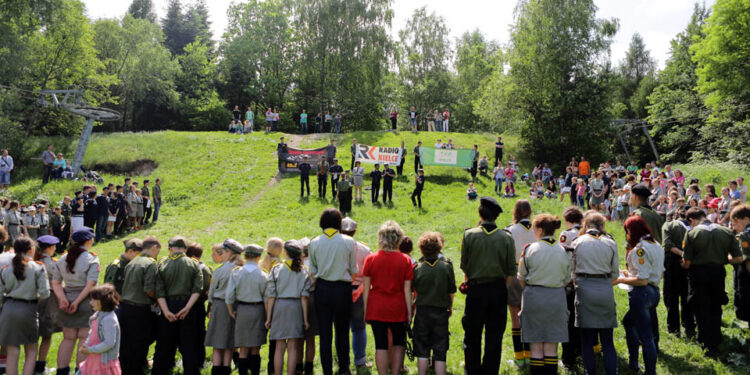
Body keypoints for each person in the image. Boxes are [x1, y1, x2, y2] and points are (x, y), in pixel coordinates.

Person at [460, 197, 516, 375]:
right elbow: (510, 271)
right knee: (495, 336)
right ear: (496, 217)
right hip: (498, 289)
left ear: (480, 213)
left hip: (476, 289)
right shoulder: (506, 237)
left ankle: (472, 370)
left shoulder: (469, 235)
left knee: (472, 334)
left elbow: (465, 267)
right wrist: (501, 288)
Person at [682, 207, 742, 357]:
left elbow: (687, 262)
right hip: (717, 272)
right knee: (716, 305)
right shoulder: (726, 232)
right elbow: (739, 258)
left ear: (693, 220)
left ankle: (704, 340)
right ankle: (716, 338)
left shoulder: (691, 233)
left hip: (698, 273)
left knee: (700, 306)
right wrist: (723, 260)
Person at [517, 214, 570, 375]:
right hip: (557, 298)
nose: (533, 232)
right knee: (551, 346)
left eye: (534, 229)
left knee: (536, 346)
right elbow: (567, 279)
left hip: (534, 297)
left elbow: (522, 277)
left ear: (540, 230)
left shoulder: (530, 249)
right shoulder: (564, 250)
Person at [308, 209, 358, 375]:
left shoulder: (314, 242)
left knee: (325, 333)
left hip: (322, 289)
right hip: (342, 289)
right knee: (343, 331)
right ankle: (344, 368)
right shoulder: (348, 241)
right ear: (339, 222)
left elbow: (313, 270)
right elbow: (353, 270)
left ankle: (327, 370)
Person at [362, 221, 413, 375]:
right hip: (397, 307)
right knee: (399, 343)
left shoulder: (371, 259)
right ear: (399, 239)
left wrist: (365, 311)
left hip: (377, 307)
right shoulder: (405, 260)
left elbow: (366, 289)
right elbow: (407, 289)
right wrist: (409, 312)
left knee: (381, 345)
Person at [614, 216, 665, 374]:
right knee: (628, 322)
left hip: (642, 294)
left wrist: (620, 279)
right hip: (654, 292)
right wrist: (629, 273)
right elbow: (657, 272)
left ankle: (649, 370)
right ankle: (633, 362)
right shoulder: (656, 244)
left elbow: (642, 281)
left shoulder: (639, 249)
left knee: (646, 335)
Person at [571, 213, 619, 375]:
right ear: (602, 225)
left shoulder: (577, 242)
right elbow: (615, 273)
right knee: (607, 340)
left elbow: (572, 270)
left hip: (584, 288)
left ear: (586, 225)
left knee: (586, 339)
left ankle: (589, 372)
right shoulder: (610, 243)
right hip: (605, 288)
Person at [152, 236, 204, 375]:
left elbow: (159, 291)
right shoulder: (194, 264)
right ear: (186, 249)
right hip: (187, 306)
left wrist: (166, 311)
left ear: (170, 249)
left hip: (167, 305)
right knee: (189, 345)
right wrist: (187, 308)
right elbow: (197, 289)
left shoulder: (162, 264)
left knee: (163, 345)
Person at [51, 227, 100, 375]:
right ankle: (80, 372)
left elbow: (55, 283)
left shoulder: (62, 258)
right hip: (85, 302)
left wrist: (63, 299)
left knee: (68, 339)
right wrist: (77, 302)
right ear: (88, 241)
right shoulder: (91, 258)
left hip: (67, 300)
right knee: (84, 339)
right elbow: (91, 284)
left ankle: (62, 372)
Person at [0, 237, 50, 375]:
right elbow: (45, 293)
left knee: (12, 351)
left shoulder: (6, 269)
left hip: (8, 308)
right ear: (31, 250)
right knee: (31, 350)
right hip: (29, 308)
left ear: (14, 250)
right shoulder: (38, 267)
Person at [412, 232, 455, 375]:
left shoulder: (417, 268)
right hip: (441, 312)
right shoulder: (446, 266)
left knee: (422, 349)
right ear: (439, 247)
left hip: (422, 312)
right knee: (440, 350)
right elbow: (451, 291)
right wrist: (450, 306)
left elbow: (413, 291)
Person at [266, 240, 311, 375]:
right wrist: (305, 319)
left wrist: (269, 318)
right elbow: (304, 297)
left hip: (280, 307)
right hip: (296, 307)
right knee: (293, 348)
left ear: (285, 252)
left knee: (279, 347)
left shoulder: (276, 269)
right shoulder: (304, 271)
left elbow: (271, 296)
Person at [118, 236, 161, 375]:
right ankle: (135, 370)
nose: (158, 255)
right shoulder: (150, 263)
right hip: (140, 308)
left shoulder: (132, 261)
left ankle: (124, 369)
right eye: (158, 251)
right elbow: (148, 289)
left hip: (126, 306)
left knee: (127, 342)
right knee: (139, 341)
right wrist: (158, 299)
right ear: (154, 247)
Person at [226, 244, 268, 375]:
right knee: (255, 347)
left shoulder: (236, 273)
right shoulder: (263, 275)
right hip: (258, 310)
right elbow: (267, 298)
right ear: (259, 257)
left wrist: (230, 311)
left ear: (245, 255)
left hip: (242, 309)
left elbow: (229, 297)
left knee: (243, 348)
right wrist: (268, 316)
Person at [206, 239, 243, 374]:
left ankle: (216, 370)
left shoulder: (221, 270)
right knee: (229, 342)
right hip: (236, 306)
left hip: (220, 305)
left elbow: (212, 293)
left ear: (228, 252)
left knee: (217, 343)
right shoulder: (241, 268)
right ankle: (227, 368)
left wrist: (209, 306)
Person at [506, 200, 535, 366]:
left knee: (515, 314)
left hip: (516, 274)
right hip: (534, 274)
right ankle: (531, 354)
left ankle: (519, 356)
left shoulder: (510, 230)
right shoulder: (538, 229)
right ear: (530, 212)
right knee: (530, 315)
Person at [339, 218, 371, 369]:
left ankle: (342, 361)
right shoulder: (365, 249)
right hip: (358, 291)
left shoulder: (336, 248)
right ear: (355, 231)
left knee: (340, 329)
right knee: (359, 328)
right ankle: (360, 360)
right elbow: (368, 274)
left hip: (339, 290)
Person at [661, 205, 695, 338]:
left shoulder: (669, 225)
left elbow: (667, 245)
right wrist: (687, 257)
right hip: (690, 264)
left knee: (672, 297)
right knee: (687, 296)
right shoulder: (695, 228)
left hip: (673, 263)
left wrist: (682, 254)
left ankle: (673, 328)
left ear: (677, 214)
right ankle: (689, 327)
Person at [557, 207, 583, 369]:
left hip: (570, 279)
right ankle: (583, 350)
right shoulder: (586, 232)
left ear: (567, 219)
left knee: (569, 318)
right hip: (587, 279)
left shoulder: (567, 234)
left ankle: (569, 356)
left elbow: (561, 255)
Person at [77, 284, 122, 375]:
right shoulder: (97, 315)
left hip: (104, 362)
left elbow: (109, 343)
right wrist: (87, 344)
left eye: (94, 300)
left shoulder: (109, 319)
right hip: (94, 358)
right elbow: (92, 332)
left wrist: (90, 349)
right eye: (91, 299)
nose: (91, 302)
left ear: (105, 301)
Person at [35, 235, 62, 375]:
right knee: (47, 334)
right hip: (48, 300)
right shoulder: (52, 264)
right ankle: (40, 367)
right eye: (54, 247)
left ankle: (31, 365)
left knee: (33, 336)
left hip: (33, 300)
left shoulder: (34, 261)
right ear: (50, 248)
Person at [731, 205, 750, 323]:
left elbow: (747, 260)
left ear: (746, 219)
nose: (734, 226)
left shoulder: (744, 235)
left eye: (736, 222)